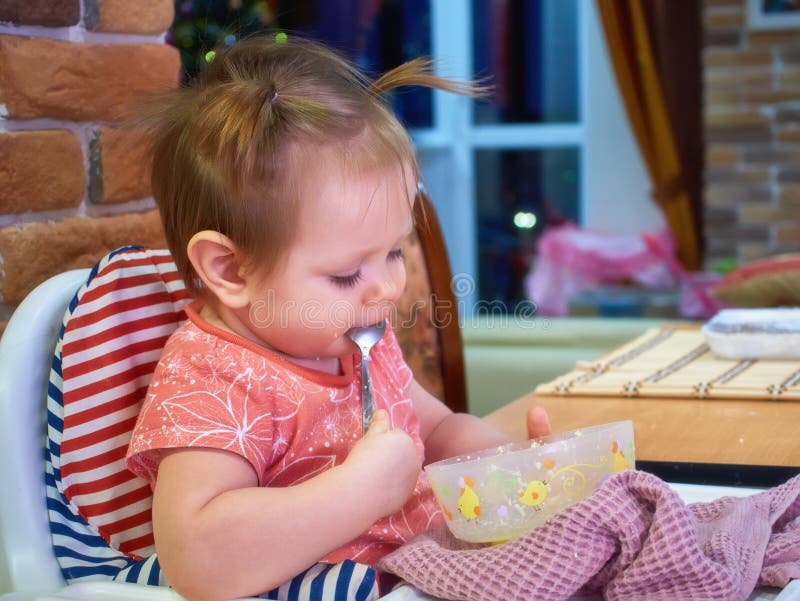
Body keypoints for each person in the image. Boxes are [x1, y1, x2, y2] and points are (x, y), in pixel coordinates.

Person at [126, 36, 552, 601]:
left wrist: (512, 464)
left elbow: (437, 429)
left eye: (396, 252)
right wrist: (363, 489)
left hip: (424, 567)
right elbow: (198, 558)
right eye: (347, 274)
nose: (388, 287)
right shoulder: (213, 378)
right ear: (230, 269)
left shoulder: (356, 337)